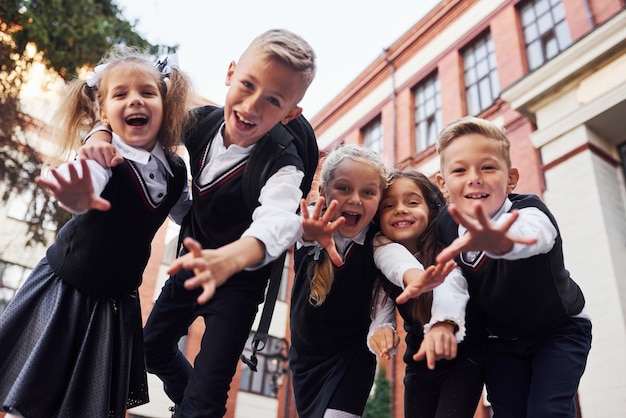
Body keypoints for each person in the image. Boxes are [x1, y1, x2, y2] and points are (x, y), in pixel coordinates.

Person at [80, 29, 316, 417]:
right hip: (191, 266)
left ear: (290, 113)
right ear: (230, 73)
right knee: (149, 350)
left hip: (238, 284)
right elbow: (135, 122)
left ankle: (196, 409)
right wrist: (100, 132)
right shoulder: (198, 123)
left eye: (272, 101)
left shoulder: (283, 163)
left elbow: (277, 222)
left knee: (207, 397)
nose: (252, 106)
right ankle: (188, 403)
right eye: (247, 85)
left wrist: (232, 257)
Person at [0, 46, 193, 417]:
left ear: (164, 104)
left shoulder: (174, 171)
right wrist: (78, 193)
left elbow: (189, 215)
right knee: (34, 395)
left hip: (115, 303)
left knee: (89, 406)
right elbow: (87, 181)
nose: (135, 100)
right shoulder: (105, 154)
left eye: (147, 92)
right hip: (66, 291)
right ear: (103, 112)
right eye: (121, 94)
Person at [432, 116, 592, 418]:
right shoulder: (446, 227)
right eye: (459, 170)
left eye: (488, 167)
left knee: (547, 410)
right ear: (443, 184)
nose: (474, 177)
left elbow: (535, 237)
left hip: (558, 329)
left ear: (511, 178)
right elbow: (452, 281)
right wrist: (443, 320)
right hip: (502, 342)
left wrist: (500, 242)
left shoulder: (529, 212)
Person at [289, 146, 455, 418]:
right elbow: (276, 234)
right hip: (306, 356)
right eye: (343, 188)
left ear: (378, 201)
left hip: (351, 355)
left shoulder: (374, 240)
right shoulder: (307, 222)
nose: (355, 199)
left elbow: (394, 260)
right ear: (323, 192)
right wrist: (303, 234)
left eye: (367, 192)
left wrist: (416, 278)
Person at [368, 169, 486, 418]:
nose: (400, 209)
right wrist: (381, 328)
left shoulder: (445, 249)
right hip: (419, 364)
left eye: (412, 202)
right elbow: (383, 299)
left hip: (463, 359)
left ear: (432, 210)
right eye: (389, 205)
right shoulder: (382, 255)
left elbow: (449, 283)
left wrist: (444, 323)